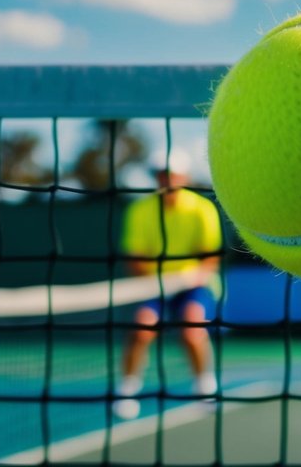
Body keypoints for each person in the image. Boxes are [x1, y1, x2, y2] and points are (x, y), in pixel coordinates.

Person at [113, 153, 222, 420]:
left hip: (194, 285)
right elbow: (135, 257)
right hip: (155, 286)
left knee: (192, 326)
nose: (167, 180)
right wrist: (155, 281)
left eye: (172, 174)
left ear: (183, 178)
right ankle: (126, 390)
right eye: (162, 174)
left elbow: (210, 257)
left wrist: (192, 276)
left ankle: (204, 385)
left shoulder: (202, 208)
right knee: (142, 328)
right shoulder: (140, 210)